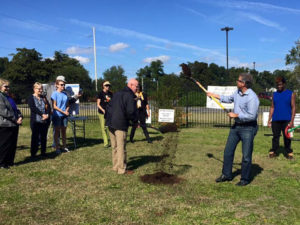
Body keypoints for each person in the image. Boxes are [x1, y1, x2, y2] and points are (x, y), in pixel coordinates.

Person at [207, 73, 259, 186]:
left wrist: (236, 115)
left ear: (244, 83)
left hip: (249, 128)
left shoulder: (252, 97)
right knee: (228, 152)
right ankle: (226, 175)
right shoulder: (237, 92)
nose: (236, 82)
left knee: (246, 156)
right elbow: (228, 98)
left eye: (238, 80)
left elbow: (252, 116)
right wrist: (214, 95)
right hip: (236, 127)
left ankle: (244, 179)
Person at [105, 79, 138, 175]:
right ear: (131, 85)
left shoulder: (117, 93)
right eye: (136, 86)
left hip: (110, 123)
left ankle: (115, 166)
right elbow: (131, 111)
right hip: (120, 124)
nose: (137, 88)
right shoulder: (129, 95)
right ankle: (122, 169)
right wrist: (135, 121)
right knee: (121, 147)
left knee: (114, 146)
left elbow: (108, 106)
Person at [267, 76, 295, 159]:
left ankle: (289, 152)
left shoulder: (291, 94)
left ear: (284, 84)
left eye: (280, 84)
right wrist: (269, 120)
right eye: (277, 85)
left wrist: (292, 121)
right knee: (275, 136)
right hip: (276, 119)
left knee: (287, 136)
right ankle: (273, 151)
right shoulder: (274, 94)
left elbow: (293, 107)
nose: (279, 86)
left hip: (287, 119)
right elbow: (272, 107)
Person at [0, 79, 23, 169]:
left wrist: (20, 116)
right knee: (4, 144)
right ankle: (2, 163)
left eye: (8, 87)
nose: (7, 88)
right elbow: (4, 112)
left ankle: (10, 161)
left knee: (12, 144)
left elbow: (15, 109)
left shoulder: (8, 97)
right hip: (5, 124)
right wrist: (15, 119)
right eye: (5, 86)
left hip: (13, 124)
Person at [28, 82, 51, 158]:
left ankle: (43, 152)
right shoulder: (31, 98)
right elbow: (33, 108)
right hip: (36, 121)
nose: (40, 90)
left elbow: (48, 107)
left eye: (41, 88)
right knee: (35, 137)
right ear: (34, 89)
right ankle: (33, 153)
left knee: (43, 137)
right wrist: (42, 114)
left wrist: (47, 114)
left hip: (44, 121)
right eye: (39, 89)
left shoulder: (43, 98)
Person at [51, 78, 69, 154]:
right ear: (57, 85)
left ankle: (64, 146)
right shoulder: (54, 94)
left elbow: (67, 104)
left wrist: (67, 111)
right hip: (57, 115)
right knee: (57, 131)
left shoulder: (65, 94)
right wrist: (63, 112)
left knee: (64, 131)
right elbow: (54, 106)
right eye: (61, 85)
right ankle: (57, 147)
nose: (63, 86)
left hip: (64, 115)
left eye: (64, 85)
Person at [97, 81, 113, 148]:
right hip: (102, 113)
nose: (108, 87)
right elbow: (98, 104)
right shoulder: (100, 93)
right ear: (103, 86)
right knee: (104, 128)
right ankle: (106, 143)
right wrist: (103, 110)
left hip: (109, 112)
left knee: (110, 127)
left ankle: (112, 142)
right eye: (106, 85)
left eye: (108, 85)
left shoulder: (111, 93)